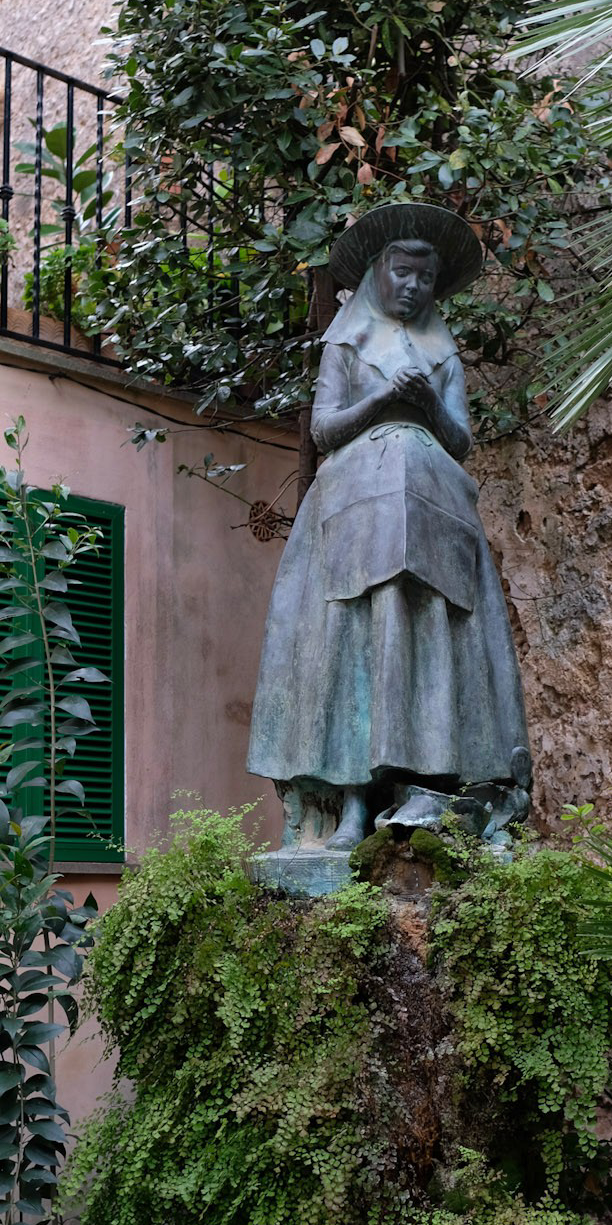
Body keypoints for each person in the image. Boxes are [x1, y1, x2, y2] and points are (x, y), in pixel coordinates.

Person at [247, 201, 531, 852]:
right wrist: (381, 398)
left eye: (425, 278)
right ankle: (351, 803)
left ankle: (425, 789)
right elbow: (324, 431)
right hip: (354, 502)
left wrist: (427, 401)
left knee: (426, 638)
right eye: (402, 272)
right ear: (378, 271)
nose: (413, 286)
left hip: (433, 502)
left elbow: (460, 441)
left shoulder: (442, 353)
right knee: (354, 643)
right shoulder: (345, 344)